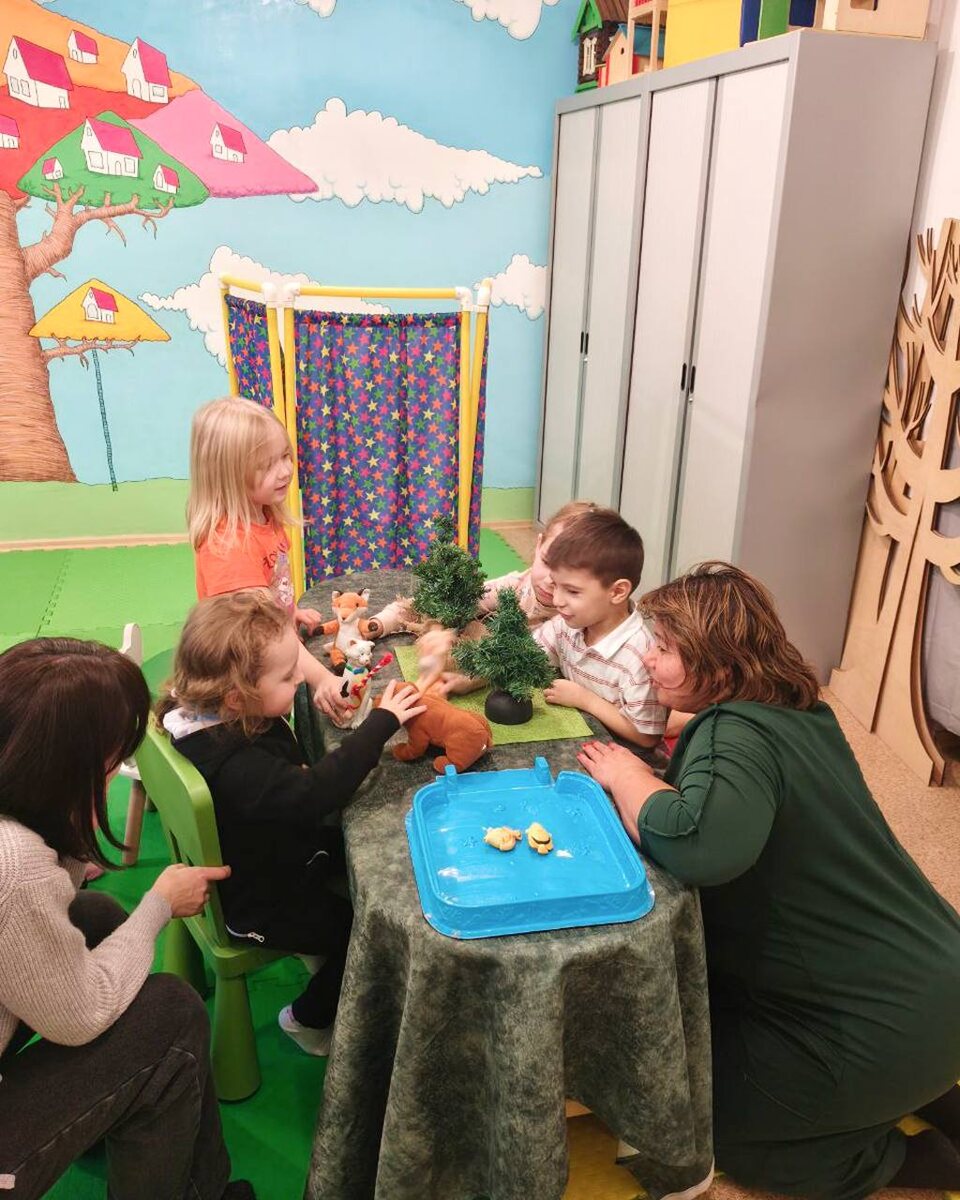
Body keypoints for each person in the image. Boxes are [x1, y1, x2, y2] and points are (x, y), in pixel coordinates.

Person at [578, 561, 960, 1200]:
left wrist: (625, 775)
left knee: (713, 1129)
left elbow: (699, 845)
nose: (647, 659)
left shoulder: (732, 731)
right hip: (928, 986)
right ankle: (929, 1086)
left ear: (716, 663)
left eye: (663, 648)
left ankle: (911, 1160)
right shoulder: (801, 714)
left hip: (875, 1027)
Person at [0, 637, 252, 1200]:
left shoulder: (17, 807)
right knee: (172, 1014)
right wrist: (159, 903)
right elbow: (82, 1013)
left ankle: (108, 1109)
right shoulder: (15, 866)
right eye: (112, 760)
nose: (116, 773)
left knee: (94, 916)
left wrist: (71, 836)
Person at [157, 591, 424, 1056]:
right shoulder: (238, 769)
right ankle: (306, 1019)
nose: (300, 676)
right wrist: (381, 723)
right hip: (257, 904)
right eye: (286, 676)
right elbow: (316, 794)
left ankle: (313, 946)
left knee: (364, 854)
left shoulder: (198, 712)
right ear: (238, 697)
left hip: (266, 853)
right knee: (364, 933)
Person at [188, 394, 349, 722]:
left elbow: (268, 587)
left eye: (286, 456)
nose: (286, 470)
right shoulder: (230, 550)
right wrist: (322, 679)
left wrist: (288, 610)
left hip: (272, 661)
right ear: (228, 474)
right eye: (267, 465)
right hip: (250, 687)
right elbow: (264, 636)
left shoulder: (262, 513)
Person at [534, 507, 666, 751]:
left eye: (572, 591)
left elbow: (646, 737)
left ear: (617, 592)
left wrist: (585, 700)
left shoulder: (639, 654)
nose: (557, 600)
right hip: (579, 737)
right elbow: (528, 652)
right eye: (556, 585)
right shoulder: (567, 623)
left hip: (624, 756)